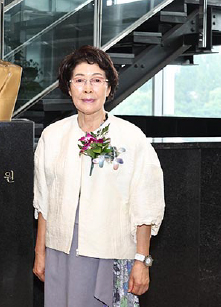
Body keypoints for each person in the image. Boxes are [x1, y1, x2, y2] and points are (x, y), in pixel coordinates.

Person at [33, 45, 165, 306]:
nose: (88, 89)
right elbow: (44, 201)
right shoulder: (53, 135)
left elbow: (145, 203)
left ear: (109, 87)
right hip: (61, 252)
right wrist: (40, 251)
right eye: (79, 81)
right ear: (68, 87)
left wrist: (142, 260)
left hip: (112, 253)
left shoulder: (131, 137)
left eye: (96, 80)